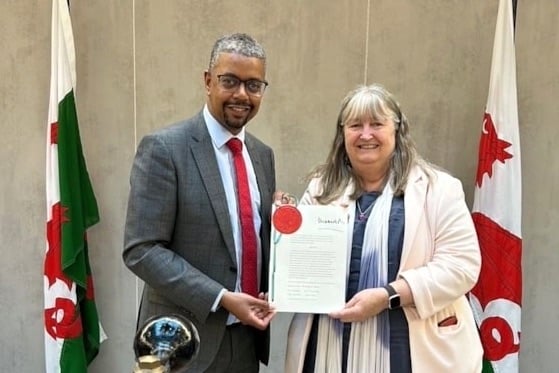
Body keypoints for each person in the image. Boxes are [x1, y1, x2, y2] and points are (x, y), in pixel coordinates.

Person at [284, 84, 483, 372]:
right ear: (343, 134)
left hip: (411, 344)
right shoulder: (320, 189)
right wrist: (285, 226)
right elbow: (301, 262)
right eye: (355, 125)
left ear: (397, 131)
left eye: (376, 124)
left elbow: (461, 266)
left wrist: (389, 294)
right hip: (329, 344)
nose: (366, 134)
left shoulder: (438, 189)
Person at [123, 33, 276, 373]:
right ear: (208, 81)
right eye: (230, 81)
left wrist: (287, 225)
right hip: (180, 344)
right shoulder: (165, 149)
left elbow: (253, 242)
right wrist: (222, 298)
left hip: (246, 342)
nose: (241, 94)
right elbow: (142, 249)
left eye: (253, 85)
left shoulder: (263, 156)